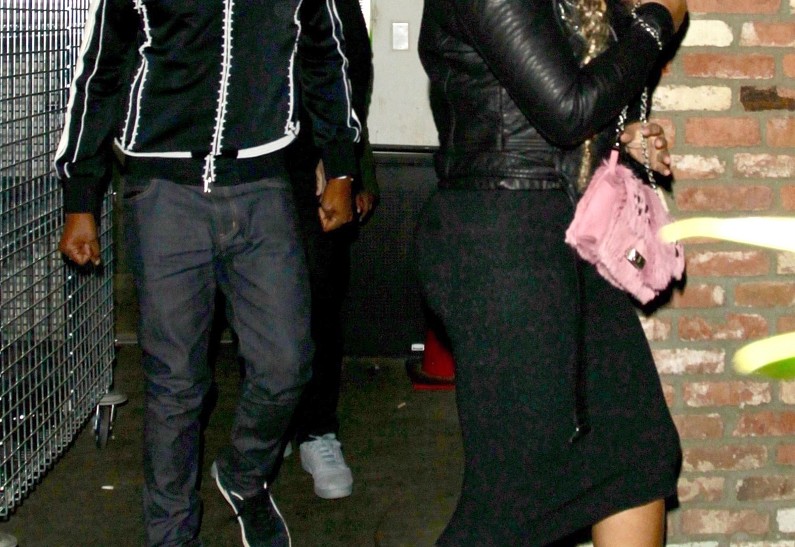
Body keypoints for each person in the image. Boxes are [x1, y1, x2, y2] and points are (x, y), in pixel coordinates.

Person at [54, 0, 360, 545]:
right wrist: (81, 196)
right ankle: (170, 534)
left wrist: (341, 164)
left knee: (287, 363)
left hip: (263, 186)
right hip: (163, 191)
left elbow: (326, 56)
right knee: (175, 381)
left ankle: (244, 476)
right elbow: (101, 72)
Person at [415, 0, 688, 545]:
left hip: (568, 231)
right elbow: (566, 109)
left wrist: (620, 138)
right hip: (501, 241)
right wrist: (659, 21)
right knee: (517, 493)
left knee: (637, 453)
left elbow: (577, 93)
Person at [283, 0, 378, 500]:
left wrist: (345, 166)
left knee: (319, 296)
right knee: (253, 304)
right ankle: (270, 426)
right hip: (240, 168)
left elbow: (350, 67)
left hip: (314, 166)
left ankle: (317, 431)